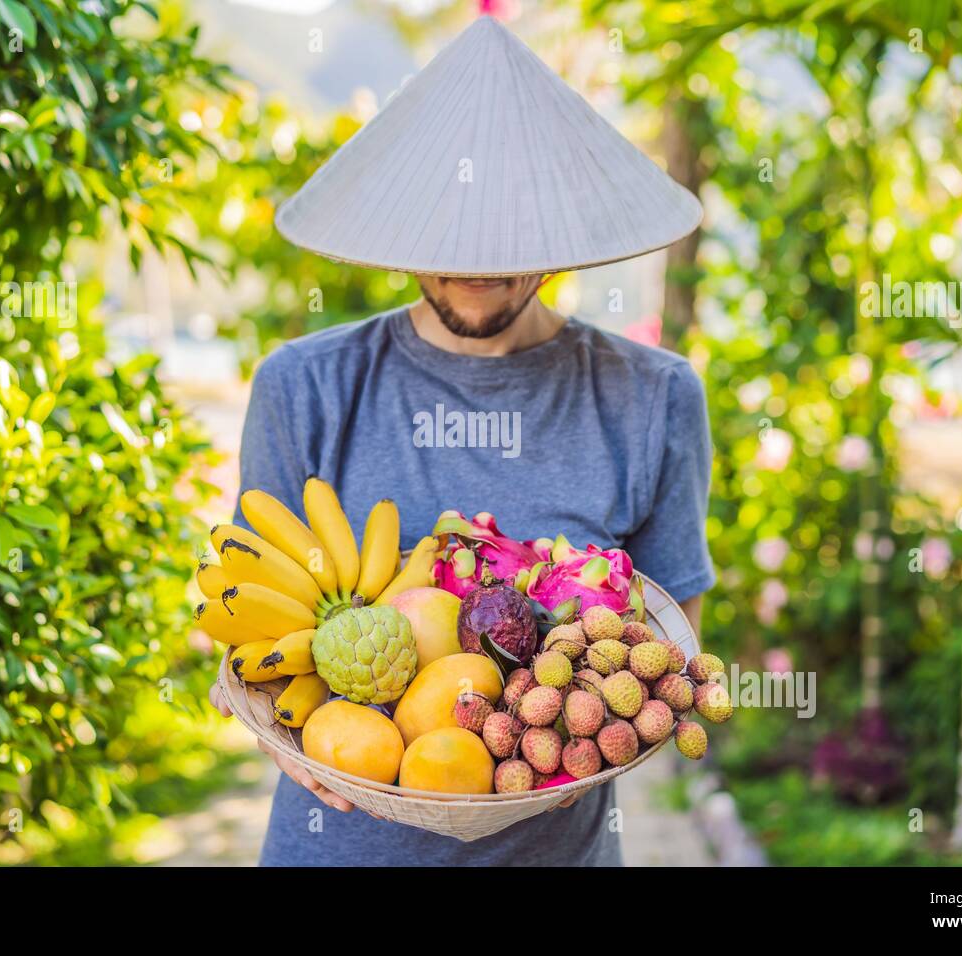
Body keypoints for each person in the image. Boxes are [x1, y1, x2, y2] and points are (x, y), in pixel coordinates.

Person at [207, 15, 713, 866]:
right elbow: (246, 633)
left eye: (506, 224)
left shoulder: (653, 397)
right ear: (400, 220)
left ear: (562, 224)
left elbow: (670, 655)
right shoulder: (304, 386)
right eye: (450, 221)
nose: (476, 257)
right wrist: (260, 723)